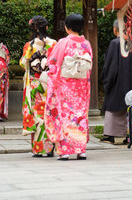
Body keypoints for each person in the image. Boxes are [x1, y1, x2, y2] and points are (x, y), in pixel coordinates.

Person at [44, 13, 93, 160]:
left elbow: (52, 62)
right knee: (79, 115)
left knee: (65, 115)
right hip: (82, 85)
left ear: (67, 27)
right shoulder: (86, 44)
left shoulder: (63, 43)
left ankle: (64, 151)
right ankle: (81, 150)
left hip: (65, 86)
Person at [100, 19, 132, 144]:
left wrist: (107, 81)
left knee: (113, 109)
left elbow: (110, 66)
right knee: (128, 108)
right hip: (130, 82)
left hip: (116, 82)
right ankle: (129, 136)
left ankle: (110, 135)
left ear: (115, 29)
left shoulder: (114, 43)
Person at [20, 16, 57, 157]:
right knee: (49, 112)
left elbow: (23, 64)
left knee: (37, 115)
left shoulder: (29, 46)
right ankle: (49, 148)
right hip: (49, 82)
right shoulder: (53, 44)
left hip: (35, 83)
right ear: (46, 28)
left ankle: (37, 149)